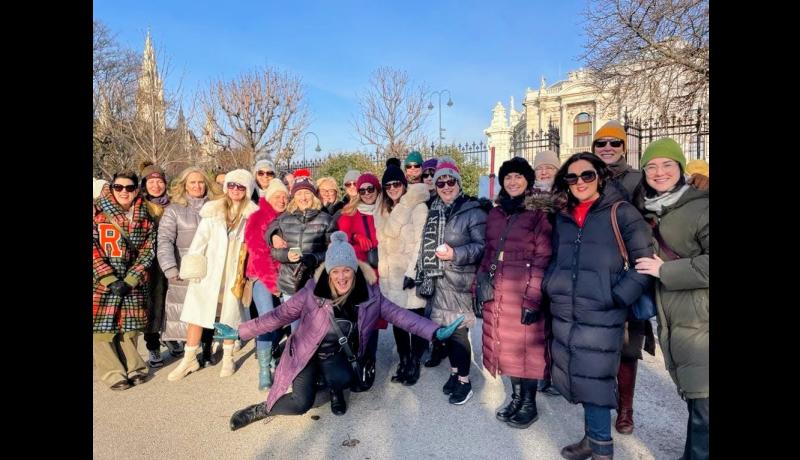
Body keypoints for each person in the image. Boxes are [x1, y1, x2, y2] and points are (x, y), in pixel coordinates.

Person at [216, 231, 465, 430]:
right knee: (301, 403)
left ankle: (336, 391)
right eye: (335, 271)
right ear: (328, 272)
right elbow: (278, 316)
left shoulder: (370, 295)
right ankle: (261, 409)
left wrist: (435, 332)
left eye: (346, 270)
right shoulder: (312, 292)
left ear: (354, 270)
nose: (341, 277)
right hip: (306, 352)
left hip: (337, 353)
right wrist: (240, 332)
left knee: (349, 381)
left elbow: (403, 317)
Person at [544, 152, 653, 460]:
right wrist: (552, 285)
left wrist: (616, 297)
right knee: (580, 376)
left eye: (587, 175)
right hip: (566, 309)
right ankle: (592, 438)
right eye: (572, 177)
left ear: (601, 177)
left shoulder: (622, 212)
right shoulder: (564, 216)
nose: (580, 182)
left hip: (603, 312)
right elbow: (556, 258)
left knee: (596, 378)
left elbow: (644, 263)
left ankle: (602, 448)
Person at [633, 139, 708, 460]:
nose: (659, 172)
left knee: (704, 404)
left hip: (701, 318)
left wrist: (666, 270)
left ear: (681, 168)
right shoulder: (653, 209)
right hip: (676, 317)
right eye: (651, 166)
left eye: (667, 164)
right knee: (697, 400)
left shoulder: (701, 206)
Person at [478, 157, 553, 429]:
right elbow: (488, 251)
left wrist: (533, 297)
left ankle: (529, 403)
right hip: (498, 290)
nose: (512, 182)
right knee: (507, 347)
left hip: (523, 290)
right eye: (508, 177)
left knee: (526, 351)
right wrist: (478, 287)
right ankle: (516, 398)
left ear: (527, 181)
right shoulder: (497, 213)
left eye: (518, 177)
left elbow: (543, 257)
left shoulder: (538, 213)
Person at [167, 169, 259, 381]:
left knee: (230, 315)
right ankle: (189, 359)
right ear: (226, 187)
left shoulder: (252, 215)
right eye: (232, 185)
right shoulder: (213, 210)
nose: (235, 189)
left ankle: (227, 358)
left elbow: (255, 245)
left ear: (247, 190)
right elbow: (200, 241)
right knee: (196, 315)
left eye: (241, 186)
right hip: (209, 271)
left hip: (234, 271)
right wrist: (194, 268)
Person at [418, 156, 488, 405]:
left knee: (458, 333)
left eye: (451, 182)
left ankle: (464, 382)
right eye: (441, 183)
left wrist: (455, 254)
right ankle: (455, 372)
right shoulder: (434, 210)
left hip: (460, 280)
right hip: (438, 281)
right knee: (445, 332)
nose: (446, 187)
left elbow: (482, 246)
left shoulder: (472, 210)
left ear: (458, 183)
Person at [92, 173, 156, 390]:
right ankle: (112, 372)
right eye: (118, 187)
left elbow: (148, 250)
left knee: (129, 326)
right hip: (100, 280)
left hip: (131, 279)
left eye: (129, 188)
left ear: (136, 190)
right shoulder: (97, 212)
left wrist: (132, 278)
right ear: (112, 188)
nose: (124, 192)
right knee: (102, 328)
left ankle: (135, 367)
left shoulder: (145, 215)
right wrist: (108, 278)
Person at [157, 167, 222, 367]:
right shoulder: (174, 210)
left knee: (209, 310)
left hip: (212, 268)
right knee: (190, 312)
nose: (197, 186)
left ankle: (207, 349)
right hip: (186, 270)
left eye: (201, 182)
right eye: (192, 182)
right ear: (184, 185)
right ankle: (190, 354)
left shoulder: (216, 207)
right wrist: (169, 267)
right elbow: (165, 240)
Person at [373, 160, 429, 386]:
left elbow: (422, 243)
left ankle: (414, 362)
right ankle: (404, 361)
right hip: (390, 277)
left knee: (415, 322)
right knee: (398, 322)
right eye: (388, 185)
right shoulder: (382, 210)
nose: (393, 188)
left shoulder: (418, 207)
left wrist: (413, 272)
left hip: (409, 275)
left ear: (404, 185)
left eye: (397, 184)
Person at [334, 172, 384, 389]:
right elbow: (339, 240)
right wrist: (355, 238)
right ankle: (355, 362)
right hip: (360, 272)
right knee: (359, 319)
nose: (366, 193)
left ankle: (368, 363)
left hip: (384, 271)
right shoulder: (350, 213)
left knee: (374, 320)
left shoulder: (386, 210)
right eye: (362, 190)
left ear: (377, 189)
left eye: (370, 189)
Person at [267, 176, 334, 332]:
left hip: (317, 283)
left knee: (317, 329)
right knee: (296, 330)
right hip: (290, 283)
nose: (303, 198)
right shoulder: (283, 219)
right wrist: (286, 255)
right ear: (293, 196)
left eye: (307, 193)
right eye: (299, 193)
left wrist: (315, 258)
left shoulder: (326, 219)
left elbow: (332, 250)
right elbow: (274, 251)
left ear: (313, 195)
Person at [244, 177, 289, 391]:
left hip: (285, 276)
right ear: (268, 198)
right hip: (261, 277)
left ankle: (276, 356)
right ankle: (264, 369)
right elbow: (258, 255)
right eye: (277, 196)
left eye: (284, 196)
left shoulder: (288, 218)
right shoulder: (258, 218)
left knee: (286, 320)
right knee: (266, 319)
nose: (281, 200)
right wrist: (273, 284)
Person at [530, 149, 561, 397]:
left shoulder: (565, 198)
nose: (544, 172)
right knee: (539, 326)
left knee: (558, 326)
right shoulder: (527, 199)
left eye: (549, 168)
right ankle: (543, 372)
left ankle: (557, 374)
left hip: (559, 266)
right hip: (535, 267)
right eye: (540, 168)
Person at [139, 162, 171, 368]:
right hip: (149, 263)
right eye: (151, 182)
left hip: (170, 258)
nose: (156, 186)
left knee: (171, 300)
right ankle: (153, 346)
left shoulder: (174, 204)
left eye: (159, 181)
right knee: (150, 304)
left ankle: (172, 337)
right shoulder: (139, 205)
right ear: (144, 184)